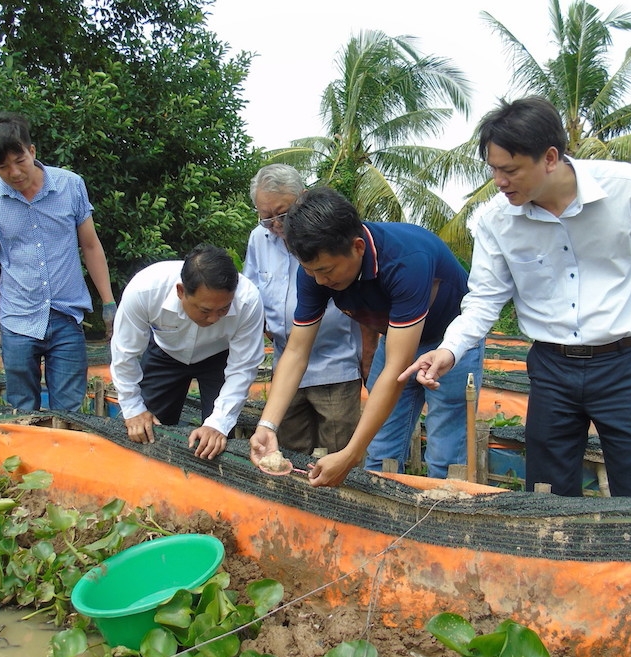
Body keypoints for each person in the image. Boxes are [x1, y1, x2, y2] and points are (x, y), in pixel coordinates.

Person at [401, 96, 631, 501]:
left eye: (510, 170)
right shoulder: (497, 220)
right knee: (546, 490)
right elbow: (485, 297)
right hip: (552, 367)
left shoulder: (628, 189)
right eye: (494, 170)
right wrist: (450, 349)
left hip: (627, 364)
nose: (500, 182)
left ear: (549, 157)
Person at [248, 186, 485, 487]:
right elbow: (296, 351)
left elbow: (395, 369)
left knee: (445, 453)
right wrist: (268, 425)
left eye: (327, 271)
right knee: (381, 448)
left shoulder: (406, 259)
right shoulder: (315, 271)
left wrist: (349, 454)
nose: (321, 281)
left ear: (358, 247)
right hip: (397, 336)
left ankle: (440, 526)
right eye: (311, 272)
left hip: (450, 342)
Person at [0, 112, 116, 413]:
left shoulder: (70, 186)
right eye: (2, 166)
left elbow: (90, 245)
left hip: (66, 316)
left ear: (32, 151)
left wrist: (109, 304)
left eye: (19, 160)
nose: (14, 172)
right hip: (17, 319)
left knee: (70, 412)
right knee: (22, 410)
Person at [243, 165, 370, 456]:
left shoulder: (329, 233)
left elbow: (363, 295)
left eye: (282, 214)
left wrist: (367, 355)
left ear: (302, 198)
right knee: (287, 449)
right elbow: (250, 292)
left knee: (341, 450)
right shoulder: (257, 240)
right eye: (266, 218)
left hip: (334, 362)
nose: (276, 224)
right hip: (285, 364)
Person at [110, 243, 265, 460]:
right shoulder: (145, 290)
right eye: (205, 310)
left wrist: (218, 424)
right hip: (165, 353)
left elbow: (243, 367)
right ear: (181, 291)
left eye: (223, 310)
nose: (213, 319)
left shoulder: (248, 300)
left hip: (219, 357)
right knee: (145, 431)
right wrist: (132, 408)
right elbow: (124, 354)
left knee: (215, 442)